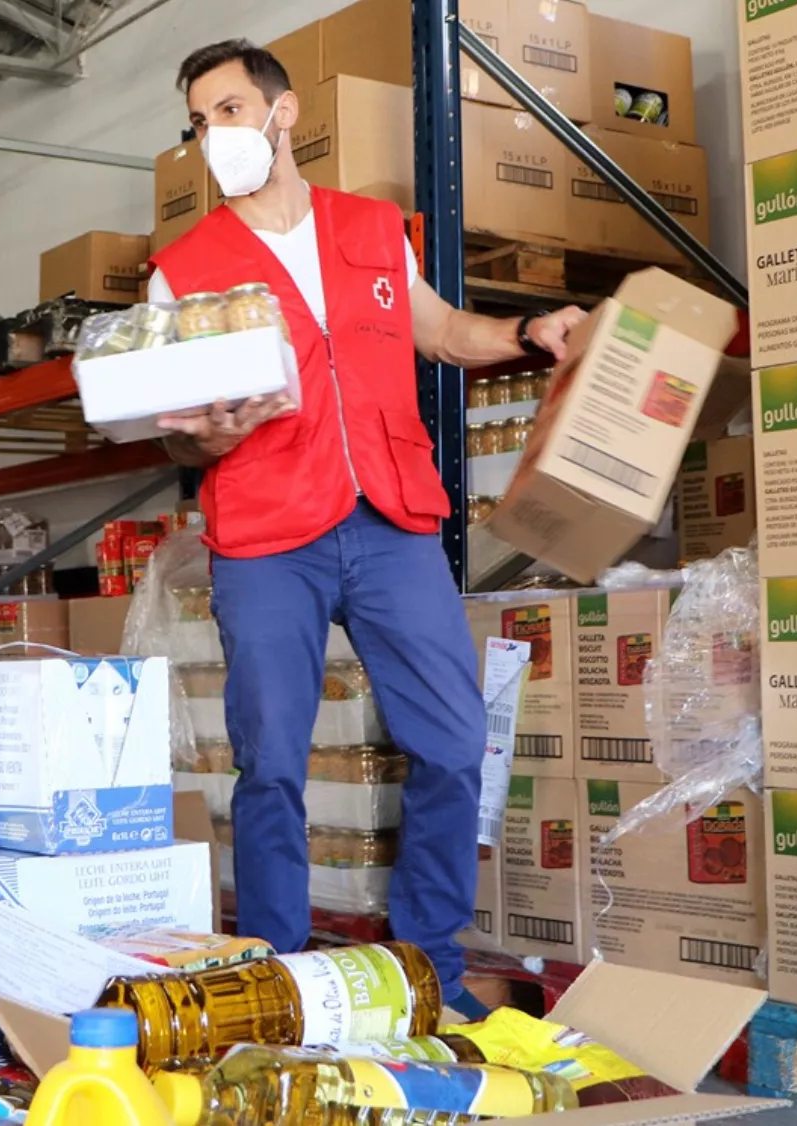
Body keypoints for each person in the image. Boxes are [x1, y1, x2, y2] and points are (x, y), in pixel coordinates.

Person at [147, 39, 588, 1019]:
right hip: (266, 533)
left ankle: (424, 963)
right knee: (269, 763)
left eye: (225, 110)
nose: (211, 135)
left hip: (388, 514)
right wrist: (201, 436)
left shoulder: (370, 227)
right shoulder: (181, 271)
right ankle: (281, 978)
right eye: (197, 123)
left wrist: (525, 333)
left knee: (452, 737)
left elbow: (435, 328)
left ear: (281, 111)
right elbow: (169, 435)